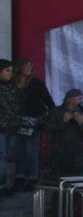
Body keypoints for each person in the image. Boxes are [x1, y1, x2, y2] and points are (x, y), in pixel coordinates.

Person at [13, 58, 55, 192]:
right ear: (19, 67)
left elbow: (49, 102)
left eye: (30, 66)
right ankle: (19, 177)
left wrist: (42, 120)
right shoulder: (12, 83)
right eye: (26, 65)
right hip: (16, 122)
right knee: (19, 151)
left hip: (32, 122)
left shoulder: (36, 84)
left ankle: (32, 178)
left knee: (31, 151)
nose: (28, 68)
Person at [45, 89, 83, 176]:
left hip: (77, 151)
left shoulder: (82, 115)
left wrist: (81, 123)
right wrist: (63, 121)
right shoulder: (56, 111)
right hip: (59, 150)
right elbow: (48, 128)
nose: (81, 101)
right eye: (79, 98)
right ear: (70, 99)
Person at [0, 59, 20, 198]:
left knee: (9, 157)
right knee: (1, 156)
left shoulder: (13, 86)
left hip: (12, 127)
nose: (10, 74)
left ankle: (8, 185)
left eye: (11, 71)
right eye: (7, 70)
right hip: (1, 128)